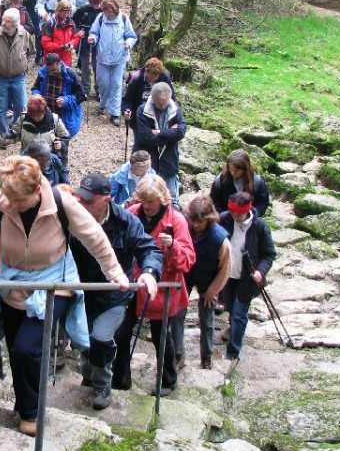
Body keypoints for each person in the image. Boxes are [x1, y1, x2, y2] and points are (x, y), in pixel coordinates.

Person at [0, 156, 127, 436]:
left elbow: (94, 236)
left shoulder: (61, 203)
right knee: (15, 351)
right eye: (10, 199)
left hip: (54, 283)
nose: (14, 207)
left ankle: (32, 412)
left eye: (20, 201)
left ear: (36, 190)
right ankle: (23, 403)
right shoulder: (0, 198)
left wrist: (114, 272)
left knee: (27, 348)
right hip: (12, 282)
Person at [70, 172, 160, 409]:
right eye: (80, 198)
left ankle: (102, 384)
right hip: (81, 292)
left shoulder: (125, 221)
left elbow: (148, 248)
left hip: (114, 296)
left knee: (100, 338)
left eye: (89, 200)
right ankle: (88, 375)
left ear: (106, 200)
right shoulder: (71, 218)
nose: (82, 204)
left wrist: (149, 271)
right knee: (83, 340)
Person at [113, 175, 194, 396]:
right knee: (120, 332)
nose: (147, 206)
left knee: (161, 337)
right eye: (144, 200)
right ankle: (121, 379)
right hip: (132, 283)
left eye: (152, 202)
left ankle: (168, 380)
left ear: (162, 199)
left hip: (161, 286)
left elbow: (188, 259)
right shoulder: (131, 213)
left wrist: (174, 245)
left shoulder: (176, 220)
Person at [218, 191, 276, 368]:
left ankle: (233, 351)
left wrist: (260, 271)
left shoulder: (259, 227)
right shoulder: (224, 220)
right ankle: (232, 329)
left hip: (247, 279)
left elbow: (269, 254)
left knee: (239, 314)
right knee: (229, 307)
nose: (235, 216)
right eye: (232, 212)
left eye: (238, 213)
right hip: (226, 275)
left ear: (247, 210)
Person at [181, 195, 231, 370]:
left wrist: (213, 290)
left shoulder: (220, 239)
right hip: (185, 275)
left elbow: (225, 269)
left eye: (200, 222)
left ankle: (206, 357)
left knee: (207, 321)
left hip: (209, 278)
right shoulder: (184, 227)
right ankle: (179, 355)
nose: (196, 225)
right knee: (178, 315)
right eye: (193, 220)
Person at [0, 8, 35, 138]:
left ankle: (14, 130)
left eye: (8, 21)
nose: (4, 23)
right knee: (0, 109)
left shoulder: (24, 34)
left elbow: (32, 53)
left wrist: (27, 66)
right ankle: (4, 135)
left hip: (18, 77)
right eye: (4, 19)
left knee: (21, 107)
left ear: (16, 23)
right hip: (0, 78)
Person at [135, 82, 187, 204]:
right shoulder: (142, 110)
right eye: (160, 103)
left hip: (169, 159)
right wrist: (170, 134)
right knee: (144, 197)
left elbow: (181, 132)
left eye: (165, 102)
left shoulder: (175, 109)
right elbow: (145, 137)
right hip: (148, 158)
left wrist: (159, 132)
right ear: (153, 99)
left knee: (172, 198)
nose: (163, 106)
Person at [31, 52, 85, 167]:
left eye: (54, 70)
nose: (51, 73)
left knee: (62, 145)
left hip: (64, 117)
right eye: (49, 70)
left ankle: (62, 169)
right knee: (45, 142)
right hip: (46, 115)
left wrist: (66, 100)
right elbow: (35, 88)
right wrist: (37, 96)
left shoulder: (70, 74)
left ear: (60, 64)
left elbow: (81, 96)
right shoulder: (43, 72)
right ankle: (45, 166)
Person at [90, 0, 137, 126]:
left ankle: (115, 113)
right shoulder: (100, 19)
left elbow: (132, 36)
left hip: (119, 58)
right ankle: (103, 104)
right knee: (103, 83)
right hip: (102, 58)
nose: (107, 13)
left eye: (108, 11)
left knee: (116, 85)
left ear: (114, 9)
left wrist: (128, 43)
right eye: (104, 10)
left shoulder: (123, 19)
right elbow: (94, 32)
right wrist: (92, 39)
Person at [1, 94, 69, 157]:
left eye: (39, 115)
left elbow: (65, 138)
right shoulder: (23, 118)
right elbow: (14, 135)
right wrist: (0, 139)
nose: (36, 118)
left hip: (47, 161)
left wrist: (61, 145)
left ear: (44, 111)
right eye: (33, 115)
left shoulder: (55, 119)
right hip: (27, 160)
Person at [122, 58, 175, 139]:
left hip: (160, 116)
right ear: (146, 70)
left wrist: (174, 117)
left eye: (157, 75)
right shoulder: (136, 79)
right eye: (153, 74)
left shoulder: (164, 78)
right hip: (140, 118)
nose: (156, 77)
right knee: (141, 142)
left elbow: (172, 97)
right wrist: (126, 110)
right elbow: (127, 99)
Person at [209, 149, 270, 218]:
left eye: (236, 171)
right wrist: (226, 216)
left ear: (245, 169)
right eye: (231, 169)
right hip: (226, 222)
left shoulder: (257, 182)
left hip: (249, 221)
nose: (232, 173)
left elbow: (263, 203)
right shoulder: (220, 181)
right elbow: (214, 202)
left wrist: (252, 214)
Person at [73, 0, 103, 99]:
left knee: (97, 66)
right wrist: (78, 31)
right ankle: (85, 89)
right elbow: (74, 21)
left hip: (98, 41)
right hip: (84, 40)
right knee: (85, 66)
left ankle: (99, 89)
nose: (96, 6)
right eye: (93, 4)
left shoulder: (103, 11)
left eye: (97, 3)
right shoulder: (82, 10)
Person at [40, 0, 80, 67]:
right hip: (52, 61)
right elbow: (45, 44)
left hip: (66, 61)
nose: (66, 15)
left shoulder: (71, 23)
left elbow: (75, 37)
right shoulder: (50, 24)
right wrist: (60, 47)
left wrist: (72, 44)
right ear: (58, 11)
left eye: (68, 13)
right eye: (64, 13)